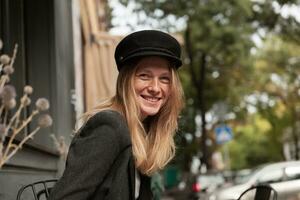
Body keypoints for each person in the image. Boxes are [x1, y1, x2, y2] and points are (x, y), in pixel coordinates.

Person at [48, 30, 184, 200]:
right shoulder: (109, 126)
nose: (155, 88)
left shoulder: (143, 133)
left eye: (164, 79)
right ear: (126, 81)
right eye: (144, 76)